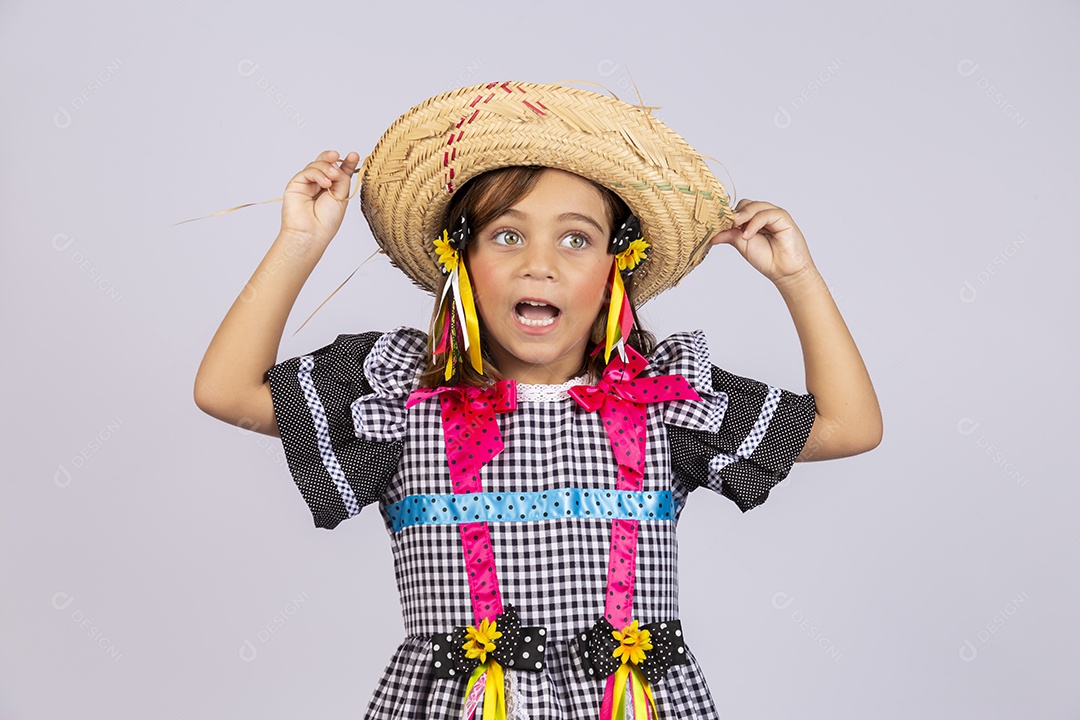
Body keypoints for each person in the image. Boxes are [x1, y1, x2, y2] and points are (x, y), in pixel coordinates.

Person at [195, 81, 881, 720]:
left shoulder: (664, 401)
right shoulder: (403, 397)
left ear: (616, 268)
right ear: (460, 261)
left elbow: (850, 426)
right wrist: (299, 243)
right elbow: (225, 391)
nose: (540, 264)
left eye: (577, 239)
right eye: (507, 235)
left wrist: (798, 278)